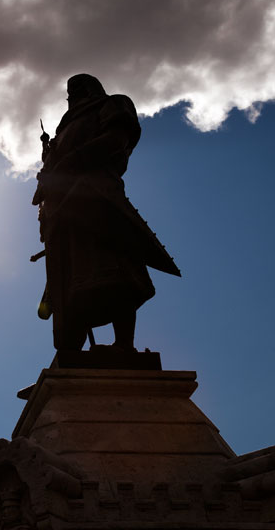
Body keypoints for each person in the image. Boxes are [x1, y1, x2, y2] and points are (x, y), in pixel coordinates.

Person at [33, 74, 180, 351]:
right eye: (70, 91)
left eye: (78, 88)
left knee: (116, 271)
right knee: (70, 279)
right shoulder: (63, 130)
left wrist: (71, 161)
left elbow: (116, 140)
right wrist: (50, 166)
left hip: (98, 199)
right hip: (64, 214)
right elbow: (53, 171)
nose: (73, 95)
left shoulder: (113, 104)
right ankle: (70, 352)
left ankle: (124, 345)